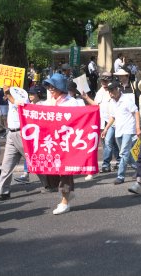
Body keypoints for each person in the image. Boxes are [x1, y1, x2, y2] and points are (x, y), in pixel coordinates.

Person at [36, 73, 84, 215]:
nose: (50, 89)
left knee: (65, 172)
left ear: (61, 87)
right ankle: (67, 195)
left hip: (66, 143)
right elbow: (35, 111)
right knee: (51, 171)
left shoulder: (71, 102)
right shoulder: (49, 101)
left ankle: (65, 201)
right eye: (49, 86)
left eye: (53, 86)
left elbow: (77, 121)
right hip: (51, 143)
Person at [100, 80, 140, 185]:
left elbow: (136, 112)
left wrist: (138, 127)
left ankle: (120, 176)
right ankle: (140, 168)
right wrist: (106, 129)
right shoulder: (112, 102)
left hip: (128, 129)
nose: (111, 93)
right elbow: (112, 117)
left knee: (123, 153)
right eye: (109, 91)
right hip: (119, 130)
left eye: (112, 90)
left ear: (118, 89)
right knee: (127, 154)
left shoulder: (126, 99)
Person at [89, 73, 119, 177]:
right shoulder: (99, 92)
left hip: (111, 120)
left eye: (106, 80)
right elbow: (96, 104)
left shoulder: (114, 90)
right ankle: (119, 160)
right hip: (101, 120)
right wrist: (86, 97)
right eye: (102, 81)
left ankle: (106, 164)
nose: (104, 83)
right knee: (109, 142)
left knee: (108, 142)